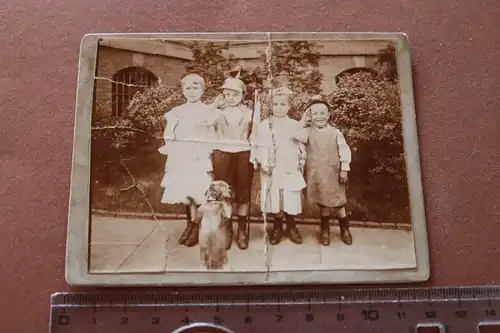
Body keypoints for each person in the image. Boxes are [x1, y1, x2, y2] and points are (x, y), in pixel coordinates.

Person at [158, 73, 217, 247]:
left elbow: (211, 134)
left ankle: (197, 225)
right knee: (186, 191)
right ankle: (189, 223)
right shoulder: (176, 112)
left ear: (203, 90)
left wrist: (205, 148)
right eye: (188, 88)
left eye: (196, 88)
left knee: (198, 191)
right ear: (183, 90)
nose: (192, 92)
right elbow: (169, 134)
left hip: (198, 155)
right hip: (181, 155)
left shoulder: (208, 110)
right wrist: (174, 146)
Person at [254, 87, 308, 245]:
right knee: (275, 194)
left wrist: (298, 134)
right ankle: (277, 226)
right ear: (270, 106)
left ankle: (291, 225)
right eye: (275, 104)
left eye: (282, 105)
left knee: (289, 194)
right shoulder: (265, 125)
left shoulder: (293, 124)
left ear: (288, 106)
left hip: (289, 164)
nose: (278, 108)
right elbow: (260, 145)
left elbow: (304, 138)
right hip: (272, 166)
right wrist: (264, 162)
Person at [301, 96, 353, 246]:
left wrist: (344, 169)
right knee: (323, 202)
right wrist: (303, 119)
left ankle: (345, 229)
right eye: (315, 113)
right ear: (310, 116)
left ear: (328, 114)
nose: (319, 117)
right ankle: (325, 229)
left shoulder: (335, 133)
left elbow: (344, 151)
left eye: (322, 113)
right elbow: (295, 133)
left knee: (338, 202)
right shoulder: (306, 132)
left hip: (333, 173)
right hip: (317, 172)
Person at [211, 76, 254, 250]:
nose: (230, 97)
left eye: (235, 94)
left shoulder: (250, 113)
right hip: (222, 153)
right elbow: (204, 122)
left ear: (243, 95)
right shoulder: (217, 111)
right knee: (224, 192)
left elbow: (256, 133)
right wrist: (214, 106)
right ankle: (227, 227)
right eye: (227, 94)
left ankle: (242, 229)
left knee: (243, 191)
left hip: (243, 153)